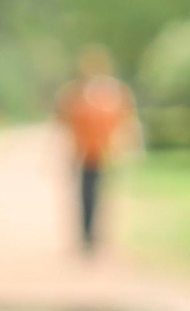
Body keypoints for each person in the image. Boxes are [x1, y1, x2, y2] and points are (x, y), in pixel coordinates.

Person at [55, 47, 137, 256]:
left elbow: (124, 122)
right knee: (85, 195)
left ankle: (95, 235)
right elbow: (65, 121)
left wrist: (123, 147)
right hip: (84, 154)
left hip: (105, 153)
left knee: (101, 196)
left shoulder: (114, 94)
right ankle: (86, 236)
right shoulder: (75, 93)